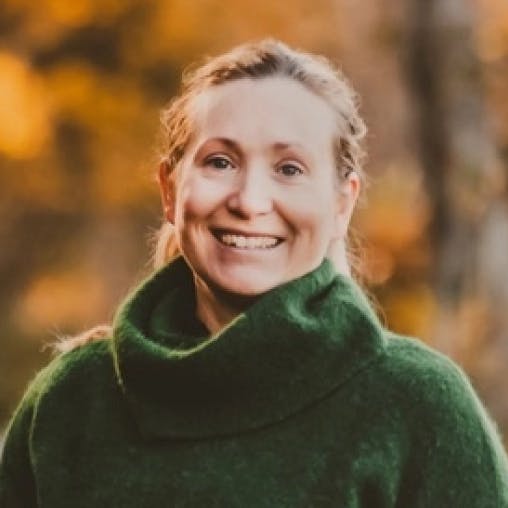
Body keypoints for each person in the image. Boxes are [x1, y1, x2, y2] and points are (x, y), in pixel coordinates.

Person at [1, 38, 508, 508]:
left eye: (289, 169)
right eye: (220, 162)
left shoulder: (419, 406)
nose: (249, 201)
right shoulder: (71, 400)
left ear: (342, 203)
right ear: (170, 190)